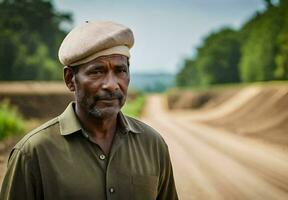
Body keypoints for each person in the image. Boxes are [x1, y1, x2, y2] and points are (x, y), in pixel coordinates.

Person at [0, 21, 178, 200]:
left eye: (120, 70)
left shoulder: (153, 145)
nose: (111, 85)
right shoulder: (33, 153)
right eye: (97, 71)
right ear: (70, 79)